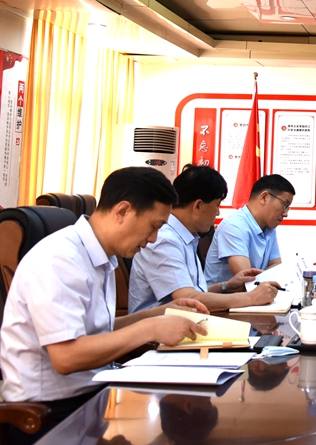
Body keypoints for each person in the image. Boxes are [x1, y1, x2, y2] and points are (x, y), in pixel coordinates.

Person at [0, 167, 210, 445]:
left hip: (91, 397)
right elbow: (66, 357)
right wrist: (149, 329)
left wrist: (160, 313)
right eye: (154, 226)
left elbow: (96, 330)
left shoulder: (99, 255)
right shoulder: (60, 259)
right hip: (51, 415)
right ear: (122, 211)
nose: (153, 239)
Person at [129, 165, 279, 313]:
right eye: (217, 205)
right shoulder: (165, 240)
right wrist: (251, 297)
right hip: (158, 327)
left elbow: (193, 292)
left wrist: (226, 286)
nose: (218, 212)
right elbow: (188, 299)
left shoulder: (185, 237)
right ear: (198, 206)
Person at [204, 174, 295, 286]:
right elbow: (247, 281)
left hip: (251, 292)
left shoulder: (269, 227)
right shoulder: (234, 226)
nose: (285, 214)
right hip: (221, 295)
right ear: (264, 197)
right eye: (285, 205)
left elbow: (276, 266)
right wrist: (269, 277)